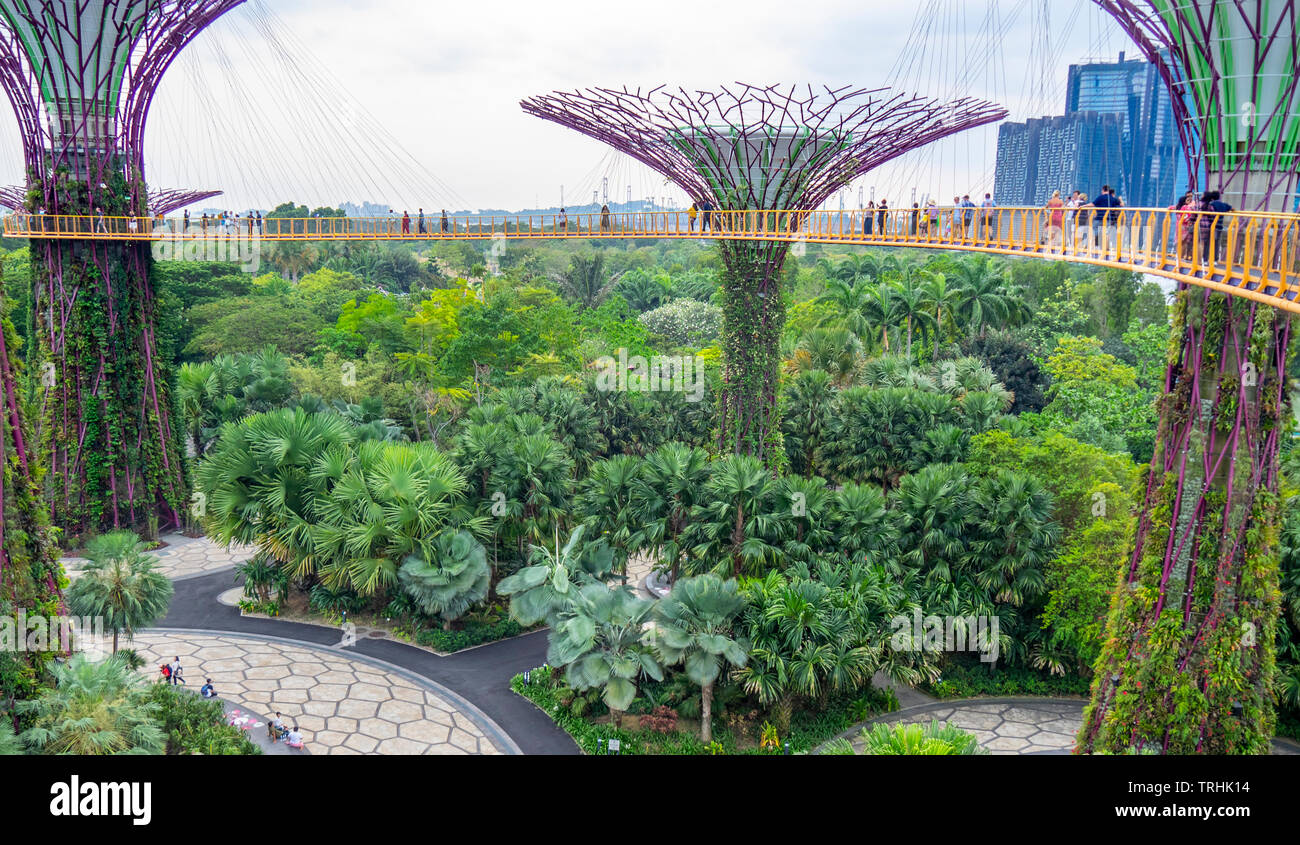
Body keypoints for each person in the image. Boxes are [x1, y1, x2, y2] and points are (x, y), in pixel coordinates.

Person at [1207, 190, 1234, 261]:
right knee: (1216, 243)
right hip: (1219, 226)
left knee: (1208, 243)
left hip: (1211, 226)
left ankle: (1207, 259)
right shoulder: (1223, 204)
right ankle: (1215, 260)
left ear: (1211, 198)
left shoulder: (1211, 204)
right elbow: (1232, 208)